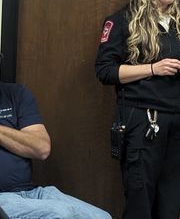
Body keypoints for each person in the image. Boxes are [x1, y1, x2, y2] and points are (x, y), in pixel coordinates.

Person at [95, 0, 180, 219]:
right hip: (143, 120)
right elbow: (105, 71)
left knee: (172, 202)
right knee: (140, 201)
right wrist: (153, 68)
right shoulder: (123, 20)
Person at [0, 81, 112, 218]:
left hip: (31, 192)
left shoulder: (15, 94)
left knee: (101, 216)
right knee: (58, 214)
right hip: (3, 198)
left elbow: (41, 148)